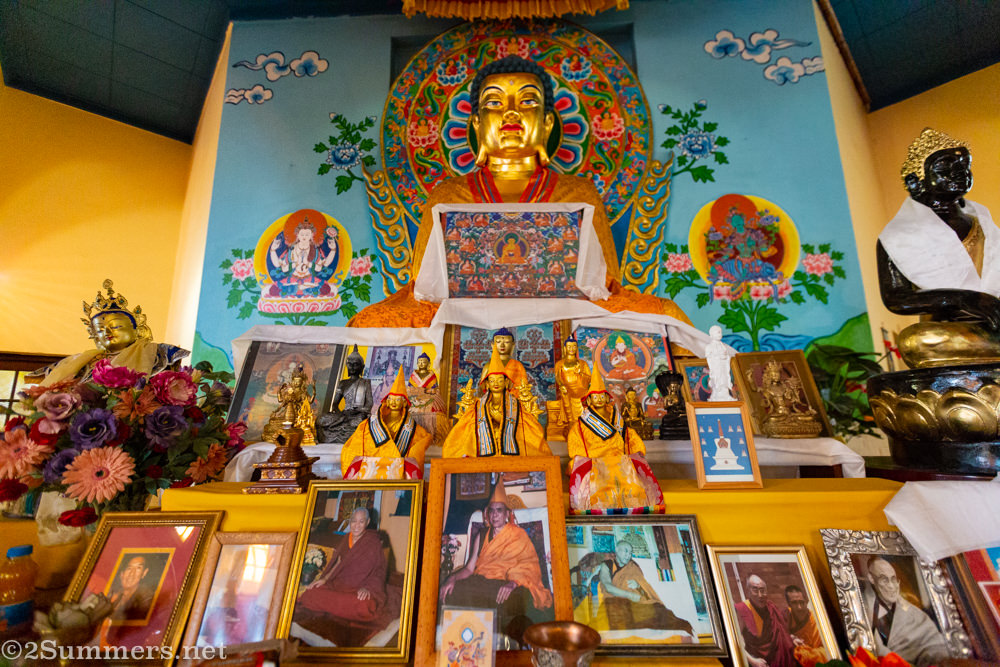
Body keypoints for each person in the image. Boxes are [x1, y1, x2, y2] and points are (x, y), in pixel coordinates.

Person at [348, 55, 690, 328]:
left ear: (547, 123)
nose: (511, 111)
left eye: (527, 101)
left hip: (565, 311)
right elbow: (422, 289)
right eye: (494, 102)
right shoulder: (447, 195)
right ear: (477, 125)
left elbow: (605, 285)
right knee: (368, 323)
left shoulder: (578, 192)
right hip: (464, 314)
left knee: (667, 314)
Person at [878, 127, 1000, 368]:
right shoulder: (898, 237)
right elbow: (896, 298)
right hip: (946, 332)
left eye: (964, 167)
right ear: (915, 182)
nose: (959, 173)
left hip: (995, 326)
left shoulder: (986, 227)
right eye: (945, 168)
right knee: (916, 341)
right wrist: (962, 299)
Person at [439, 482, 553, 647]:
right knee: (452, 589)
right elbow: (470, 568)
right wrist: (452, 578)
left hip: (510, 584)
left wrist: (513, 583)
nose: (494, 515)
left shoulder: (518, 535)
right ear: (487, 513)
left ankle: (497, 644)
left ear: (507, 513)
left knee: (507, 599)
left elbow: (529, 566)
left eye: (499, 510)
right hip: (483, 582)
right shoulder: (482, 534)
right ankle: (465, 642)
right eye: (491, 510)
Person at [36, 279, 187, 385]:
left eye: (116, 327)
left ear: (137, 330)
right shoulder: (83, 361)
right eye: (100, 330)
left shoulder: (157, 353)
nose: (107, 332)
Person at [566, 372, 663, 512]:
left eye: (602, 396)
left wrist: (635, 451)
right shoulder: (581, 425)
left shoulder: (617, 419)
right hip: (594, 461)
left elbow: (629, 436)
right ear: (589, 400)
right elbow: (576, 445)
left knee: (634, 485)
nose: (599, 399)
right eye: (595, 397)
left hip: (620, 460)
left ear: (607, 398)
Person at [294, 507, 388, 640]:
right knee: (310, 593)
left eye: (361, 522)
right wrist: (325, 579)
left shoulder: (373, 542)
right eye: (353, 521)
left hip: (359, 588)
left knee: (364, 606)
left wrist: (368, 588)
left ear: (367, 522)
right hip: (338, 584)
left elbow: (379, 570)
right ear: (350, 521)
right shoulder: (346, 538)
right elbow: (338, 562)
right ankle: (340, 608)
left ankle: (333, 607)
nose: (356, 525)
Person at [443, 348, 550, 458]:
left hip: (511, 442)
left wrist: (500, 418)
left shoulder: (515, 405)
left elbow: (525, 427)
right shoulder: (478, 405)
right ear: (487, 384)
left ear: (506, 382)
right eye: (492, 380)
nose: (496, 383)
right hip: (484, 443)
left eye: (500, 380)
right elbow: (468, 427)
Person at [341, 365, 432, 479]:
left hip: (399, 478)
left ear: (404, 403)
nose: (393, 402)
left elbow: (418, 451)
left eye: (397, 400)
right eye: (391, 399)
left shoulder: (415, 430)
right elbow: (353, 449)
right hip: (368, 476)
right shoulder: (367, 426)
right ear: (387, 402)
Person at [585, 540, 693, 635]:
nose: (628, 555)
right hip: (615, 601)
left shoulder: (633, 567)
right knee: (618, 613)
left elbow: (645, 593)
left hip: (635, 603)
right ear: (617, 550)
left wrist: (638, 586)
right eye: (626, 551)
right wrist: (629, 595)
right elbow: (608, 587)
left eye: (630, 552)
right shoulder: (607, 565)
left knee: (660, 611)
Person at [862, 557, 949, 667]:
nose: (891, 586)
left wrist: (939, 661)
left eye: (893, 579)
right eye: (884, 580)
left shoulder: (915, 615)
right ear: (871, 578)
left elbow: (935, 646)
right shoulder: (860, 609)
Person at [733, 574, 798, 667]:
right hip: (758, 662)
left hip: (779, 659)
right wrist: (753, 661)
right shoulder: (742, 610)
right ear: (748, 591)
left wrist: (792, 638)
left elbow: (780, 632)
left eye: (762, 590)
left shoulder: (771, 607)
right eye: (755, 590)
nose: (760, 595)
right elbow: (734, 641)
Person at [316, 345, 373, 443]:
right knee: (321, 419)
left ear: (362, 367)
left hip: (358, 415)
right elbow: (335, 404)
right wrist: (340, 414)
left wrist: (358, 411)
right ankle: (339, 433)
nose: (352, 367)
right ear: (346, 365)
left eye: (356, 364)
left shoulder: (365, 382)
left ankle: (343, 433)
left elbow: (369, 403)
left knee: (359, 422)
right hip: (344, 414)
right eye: (350, 364)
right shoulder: (342, 383)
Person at [262, 364, 317, 446]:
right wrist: (279, 391)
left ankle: (293, 434)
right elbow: (281, 400)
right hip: (287, 411)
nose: (296, 383)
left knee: (299, 425)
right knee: (273, 422)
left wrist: (314, 391)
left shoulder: (303, 392)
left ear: (302, 382)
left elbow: (310, 401)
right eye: (295, 381)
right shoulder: (289, 391)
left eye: (298, 381)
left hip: (298, 413)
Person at [548, 333, 591, 436]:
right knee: (565, 396)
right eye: (569, 346)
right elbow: (558, 377)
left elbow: (589, 378)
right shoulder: (560, 364)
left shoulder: (582, 363)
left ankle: (582, 424)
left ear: (577, 348)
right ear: (565, 348)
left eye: (574, 346)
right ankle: (571, 423)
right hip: (567, 391)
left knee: (584, 402)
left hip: (580, 391)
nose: (572, 349)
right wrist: (561, 385)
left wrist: (580, 374)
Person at [785, 585, 829, 665]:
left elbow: (827, 650)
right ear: (789, 604)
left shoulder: (816, 621)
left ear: (806, 601)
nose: (799, 607)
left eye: (802, 602)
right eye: (794, 603)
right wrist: (791, 638)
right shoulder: (786, 617)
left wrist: (802, 651)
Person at [108, 555, 155, 622]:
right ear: (121, 574)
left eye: (138, 568)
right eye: (129, 568)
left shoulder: (146, 599)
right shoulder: (110, 594)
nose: (132, 573)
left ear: (144, 573)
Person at [705, 325, 734, 401]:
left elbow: (727, 356)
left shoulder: (723, 345)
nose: (720, 334)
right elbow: (709, 359)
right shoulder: (709, 346)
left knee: (725, 379)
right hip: (717, 367)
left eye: (720, 332)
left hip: (724, 365)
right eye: (718, 333)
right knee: (718, 380)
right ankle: (718, 395)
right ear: (712, 334)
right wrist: (718, 357)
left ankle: (726, 395)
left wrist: (725, 357)